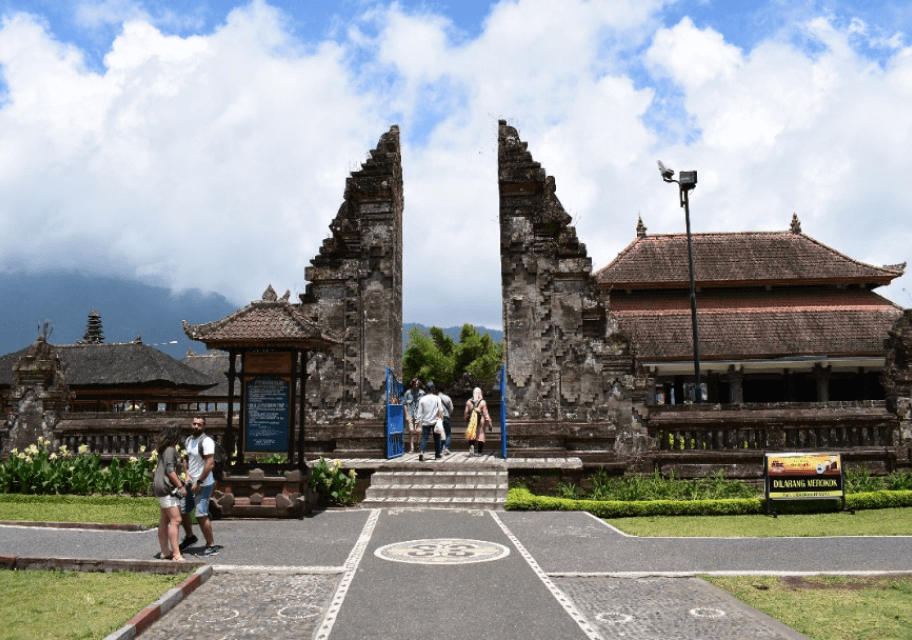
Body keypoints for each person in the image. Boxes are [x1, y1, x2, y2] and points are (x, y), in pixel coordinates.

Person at [178, 416, 221, 556]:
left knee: (201, 515)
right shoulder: (189, 440)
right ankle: (190, 537)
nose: (196, 426)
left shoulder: (207, 441)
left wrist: (199, 482)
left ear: (204, 426)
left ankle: (211, 545)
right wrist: (187, 475)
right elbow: (185, 458)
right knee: (183, 510)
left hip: (204, 484)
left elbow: (210, 464)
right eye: (194, 423)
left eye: (199, 424)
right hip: (190, 482)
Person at [153, 425, 186, 561]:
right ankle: (176, 554)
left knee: (165, 519)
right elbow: (170, 470)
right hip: (167, 487)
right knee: (176, 519)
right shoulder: (170, 450)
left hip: (160, 486)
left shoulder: (164, 449)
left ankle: (165, 551)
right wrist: (180, 486)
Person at [414, 381, 444, 461]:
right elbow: (440, 410)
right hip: (435, 421)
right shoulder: (437, 398)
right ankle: (437, 455)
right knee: (437, 438)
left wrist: (417, 422)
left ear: (426, 389)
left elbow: (419, 412)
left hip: (425, 422)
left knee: (424, 438)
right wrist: (441, 417)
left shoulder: (422, 399)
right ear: (433, 389)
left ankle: (422, 452)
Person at [464, 387, 492, 456]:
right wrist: (489, 423)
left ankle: (472, 446)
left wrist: (466, 419)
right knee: (480, 436)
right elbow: (485, 414)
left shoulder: (469, 402)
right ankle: (479, 452)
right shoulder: (482, 402)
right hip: (480, 421)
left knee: (472, 434)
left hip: (471, 421)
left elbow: (466, 412)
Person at [402, 378, 425, 454]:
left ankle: (418, 443)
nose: (416, 385)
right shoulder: (408, 393)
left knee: (419, 431)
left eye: (417, 384)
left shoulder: (422, 393)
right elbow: (405, 404)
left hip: (419, 415)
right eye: (415, 384)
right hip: (410, 414)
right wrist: (406, 415)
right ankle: (412, 448)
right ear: (412, 384)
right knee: (411, 431)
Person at [438, 383, 454, 455]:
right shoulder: (447, 398)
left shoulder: (435, 398)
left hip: (438, 418)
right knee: (448, 434)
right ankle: (446, 447)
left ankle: (440, 449)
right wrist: (448, 414)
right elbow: (451, 408)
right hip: (446, 417)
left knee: (440, 434)